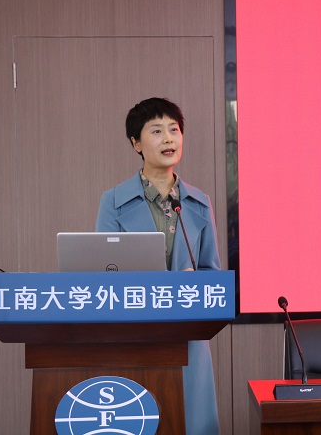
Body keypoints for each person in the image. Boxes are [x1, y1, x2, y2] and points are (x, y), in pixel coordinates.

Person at [95, 97, 221, 434]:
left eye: (174, 130)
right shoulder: (113, 201)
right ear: (136, 143)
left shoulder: (199, 203)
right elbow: (101, 276)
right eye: (156, 131)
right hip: (135, 334)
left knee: (191, 423)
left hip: (188, 337)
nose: (168, 138)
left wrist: (197, 283)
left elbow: (212, 274)